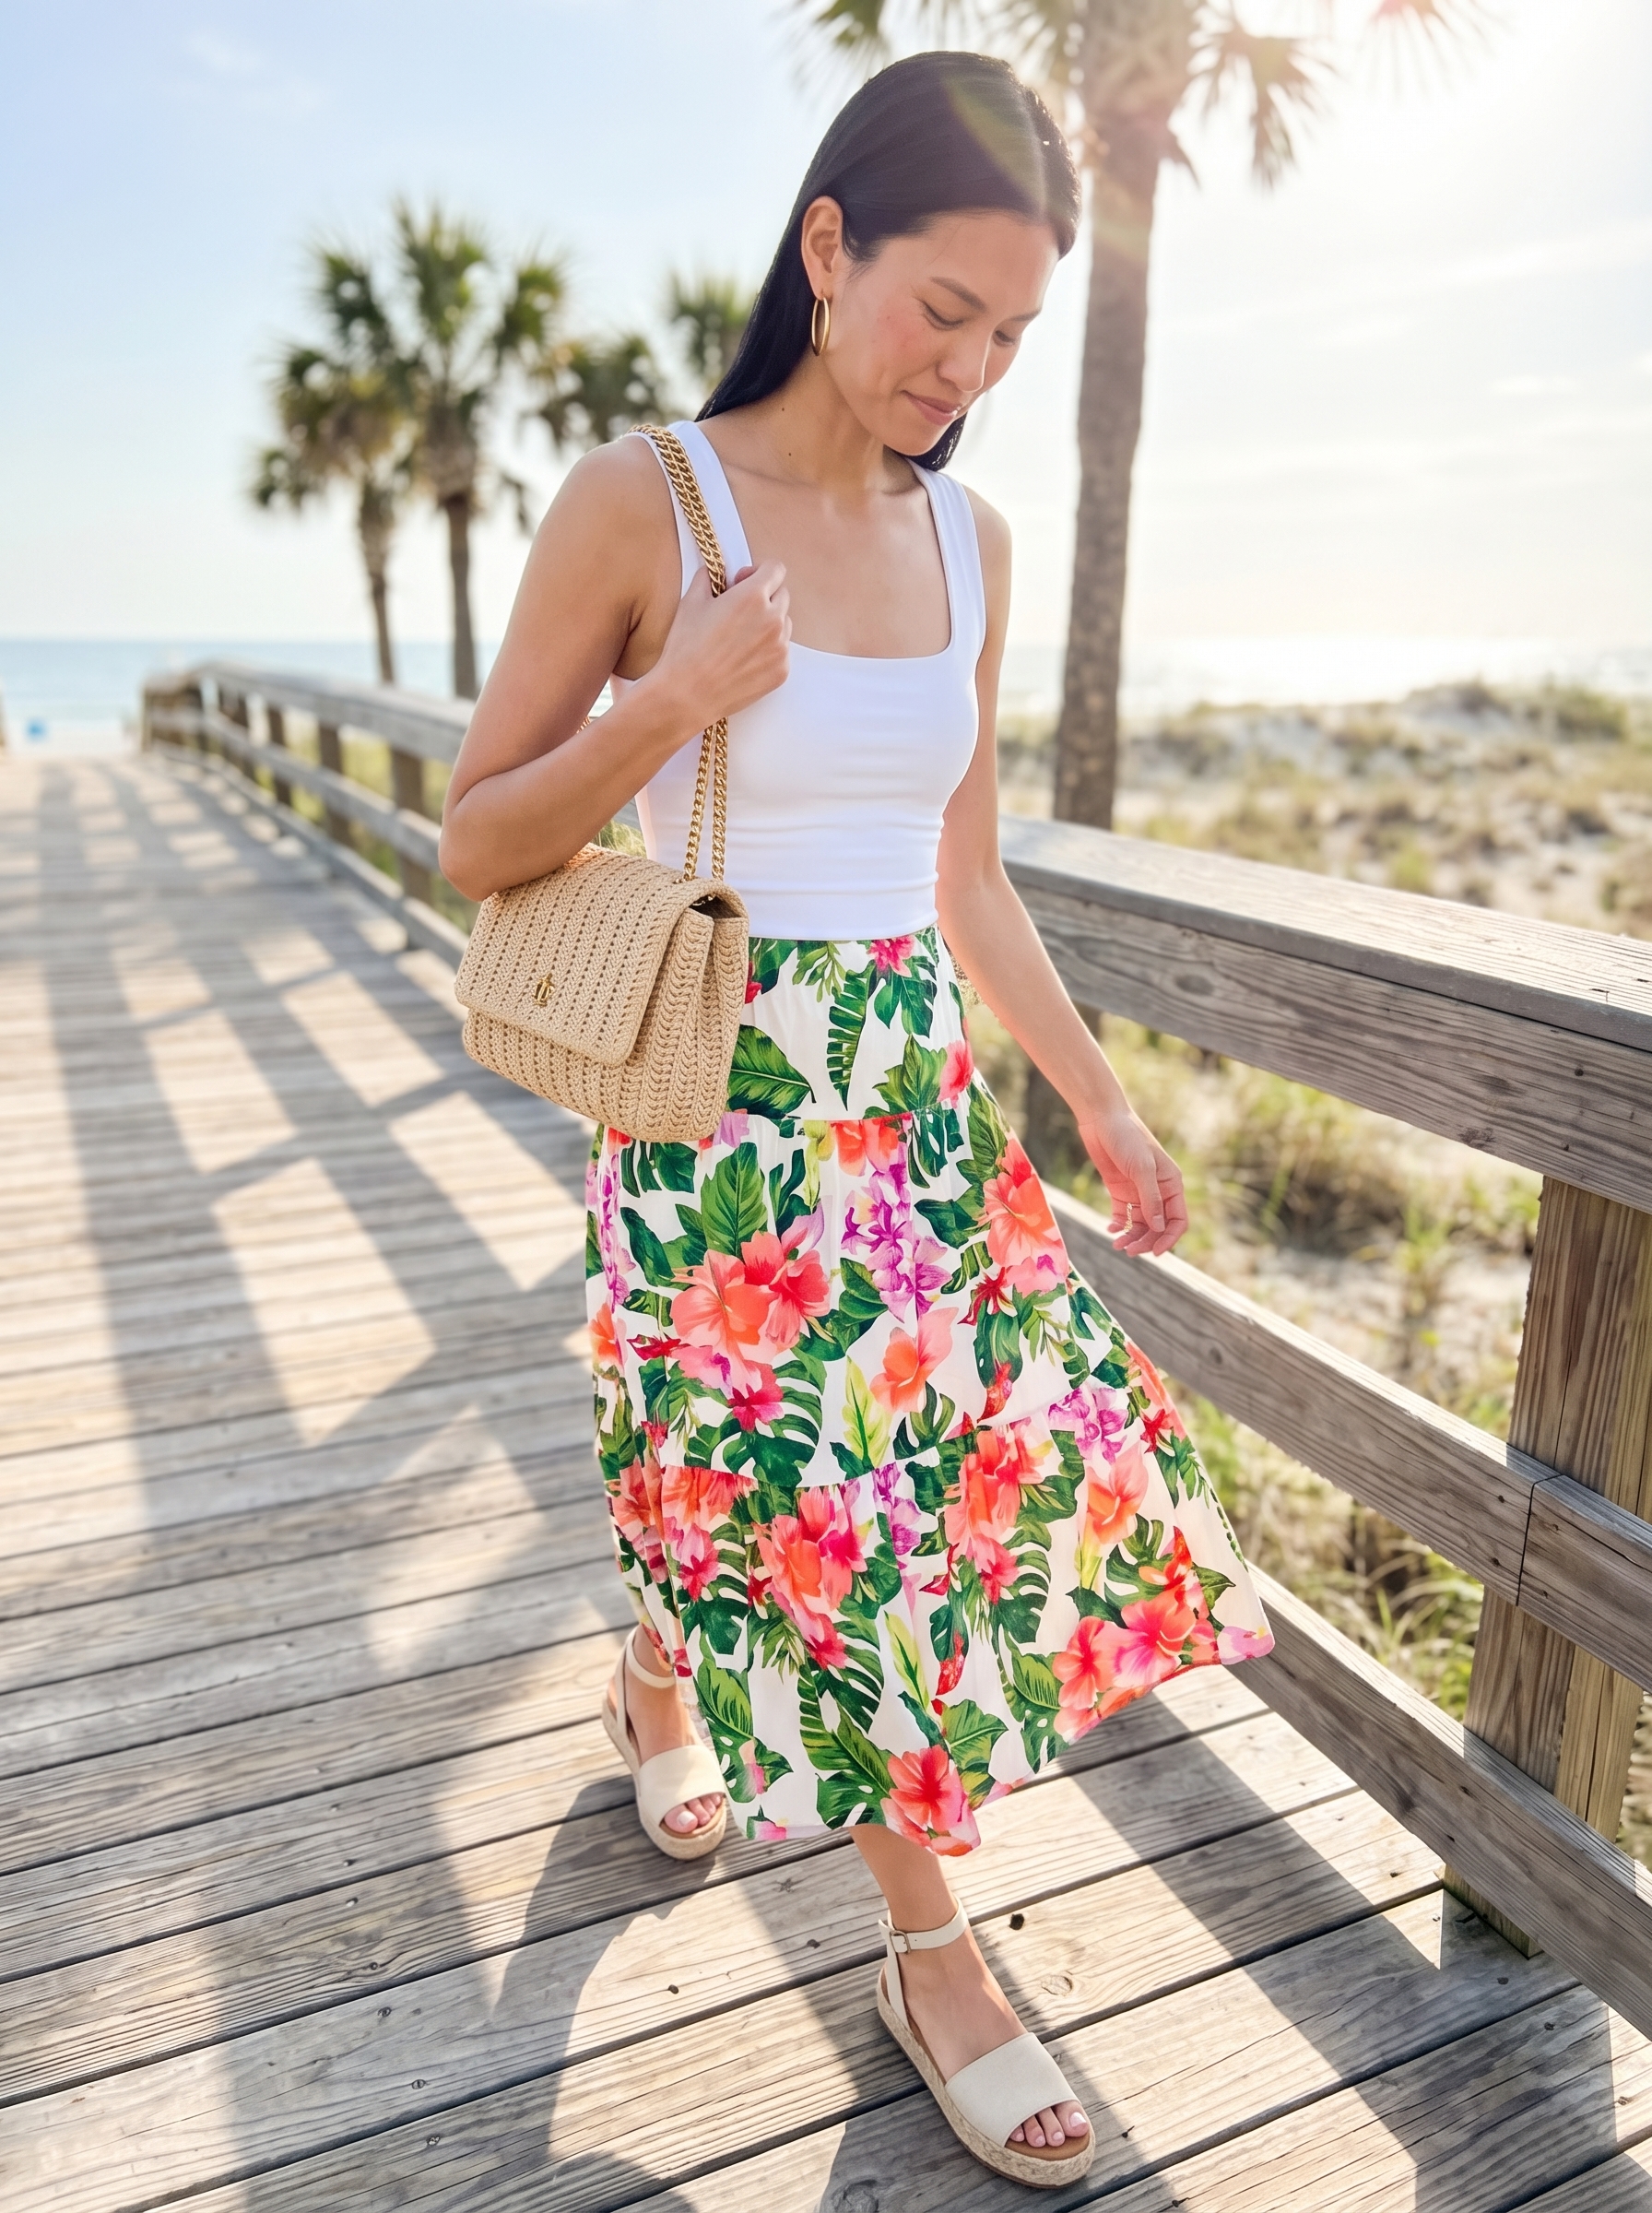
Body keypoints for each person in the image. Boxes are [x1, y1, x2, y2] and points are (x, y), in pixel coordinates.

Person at [440, 48, 1274, 2191]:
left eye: (1010, 334)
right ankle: (861, 1874)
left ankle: (810, 1832)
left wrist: (1089, 1096)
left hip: (907, 1118)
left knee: (923, 1519)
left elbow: (961, 871)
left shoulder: (971, 534)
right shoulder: (647, 505)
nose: (967, 367)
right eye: (941, 312)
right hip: (712, 1109)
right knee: (758, 1489)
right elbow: (477, 839)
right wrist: (676, 701)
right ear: (826, 246)